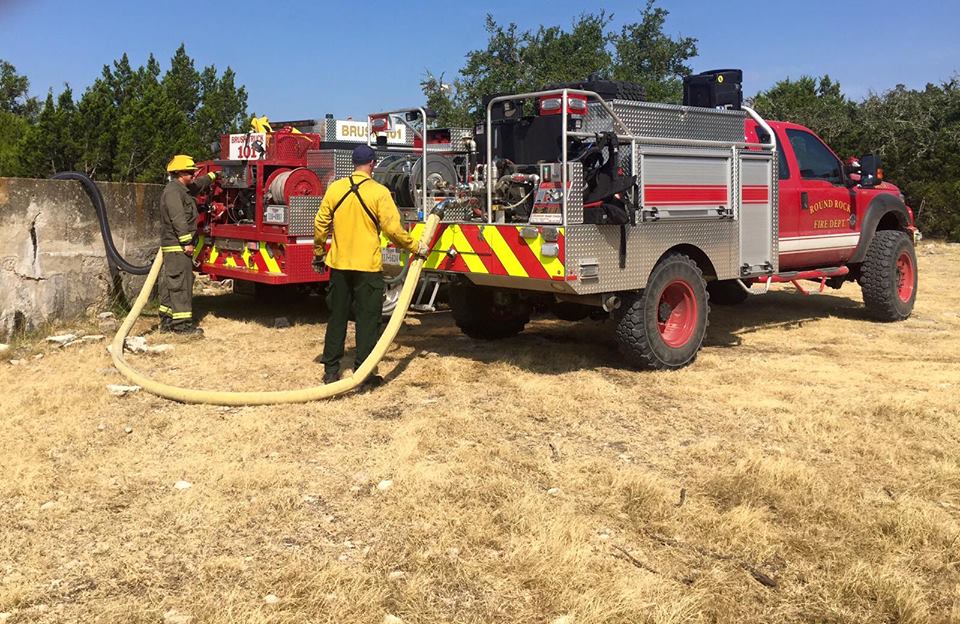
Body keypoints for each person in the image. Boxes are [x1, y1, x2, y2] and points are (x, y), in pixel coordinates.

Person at [313, 144, 428, 387]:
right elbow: (392, 229)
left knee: (337, 317)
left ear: (353, 163)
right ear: (373, 164)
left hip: (339, 264)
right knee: (368, 319)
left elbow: (321, 222)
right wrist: (415, 247)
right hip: (367, 267)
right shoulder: (379, 192)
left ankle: (331, 370)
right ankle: (364, 373)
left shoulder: (336, 188)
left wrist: (319, 251)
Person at [158, 154, 215, 335]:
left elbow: (198, 185)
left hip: (176, 247)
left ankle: (167, 322)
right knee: (181, 285)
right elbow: (178, 219)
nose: (193, 175)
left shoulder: (182, 189)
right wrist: (187, 242)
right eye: (190, 172)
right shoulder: (173, 192)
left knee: (172, 284)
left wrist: (214, 176)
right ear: (180, 173)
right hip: (178, 246)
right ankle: (182, 326)